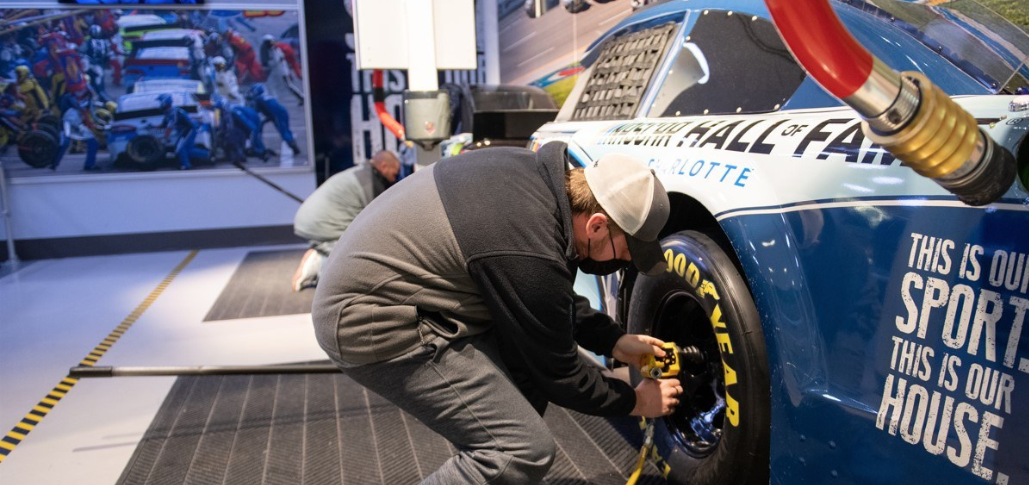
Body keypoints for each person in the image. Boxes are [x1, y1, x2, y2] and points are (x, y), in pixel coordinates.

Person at [311, 142, 682, 484]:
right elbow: (562, 373)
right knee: (518, 451)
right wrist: (636, 402)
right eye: (625, 249)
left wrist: (614, 341)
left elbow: (540, 301)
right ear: (597, 224)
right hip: (370, 320)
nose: (625, 260)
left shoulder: (535, 182)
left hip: (395, 291)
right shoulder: (528, 247)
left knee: (522, 385)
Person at [292, 150, 400, 291]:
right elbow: (375, 224)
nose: (394, 180)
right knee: (351, 255)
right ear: (384, 166)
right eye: (394, 174)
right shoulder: (369, 183)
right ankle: (318, 261)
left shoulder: (362, 173)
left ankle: (321, 253)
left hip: (311, 221)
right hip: (319, 225)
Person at [157, 93, 209, 170]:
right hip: (183, 130)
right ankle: (208, 155)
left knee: (180, 148)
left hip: (189, 129)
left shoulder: (173, 111)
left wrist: (166, 137)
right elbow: (164, 125)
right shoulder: (168, 112)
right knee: (188, 150)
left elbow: (170, 126)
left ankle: (186, 165)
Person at [247, 83, 300, 156]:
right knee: (285, 130)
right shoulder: (267, 97)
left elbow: (256, 113)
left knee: (282, 130)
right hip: (280, 112)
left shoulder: (258, 99)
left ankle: (258, 147)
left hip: (276, 114)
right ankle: (292, 143)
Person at [53, 94, 98, 171]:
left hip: (77, 124)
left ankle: (89, 165)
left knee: (93, 142)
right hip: (68, 123)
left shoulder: (83, 97)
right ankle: (53, 163)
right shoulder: (68, 97)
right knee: (65, 143)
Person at [259, 35, 303, 105]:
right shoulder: (272, 49)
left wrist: (267, 65)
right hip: (277, 71)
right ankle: (274, 102)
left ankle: (301, 97)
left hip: (281, 71)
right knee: (273, 87)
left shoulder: (274, 50)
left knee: (288, 85)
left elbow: (275, 61)